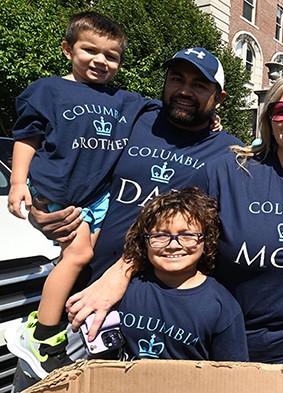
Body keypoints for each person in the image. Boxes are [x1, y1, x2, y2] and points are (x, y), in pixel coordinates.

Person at [20, 46, 241, 383]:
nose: (184, 90)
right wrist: (41, 204)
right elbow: (69, 152)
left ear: (219, 98)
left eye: (199, 85)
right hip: (79, 289)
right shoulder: (135, 119)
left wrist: (121, 272)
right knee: (38, 382)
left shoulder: (229, 155)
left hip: (150, 311)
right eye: (177, 79)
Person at [5, 12, 157, 379]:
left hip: (99, 194)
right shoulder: (49, 90)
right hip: (59, 188)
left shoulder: (124, 100)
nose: (100, 61)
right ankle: (42, 336)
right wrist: (17, 183)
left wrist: (213, 116)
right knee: (79, 254)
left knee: (91, 255)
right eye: (90, 50)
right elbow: (28, 138)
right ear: (67, 49)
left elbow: (166, 109)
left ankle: (48, 317)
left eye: (111, 55)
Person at [191, 77, 283, 363]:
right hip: (223, 348)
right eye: (281, 110)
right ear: (269, 120)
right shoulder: (230, 171)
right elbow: (170, 230)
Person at [116, 187, 248, 361]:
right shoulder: (124, 288)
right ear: (145, 241)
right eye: (160, 235)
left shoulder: (221, 306)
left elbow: (232, 374)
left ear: (206, 241)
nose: (173, 245)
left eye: (187, 235)